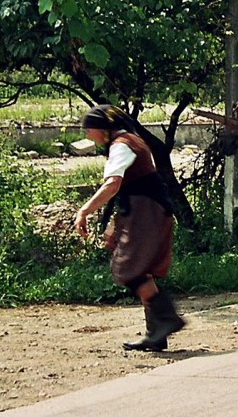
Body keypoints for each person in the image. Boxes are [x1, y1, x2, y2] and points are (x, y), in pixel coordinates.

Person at [73, 104, 184, 351]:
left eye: (89, 130)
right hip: (145, 210)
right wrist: (115, 223)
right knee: (139, 270)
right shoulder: (129, 141)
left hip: (147, 212)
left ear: (102, 129)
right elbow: (126, 188)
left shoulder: (122, 144)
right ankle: (156, 334)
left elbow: (113, 184)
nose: (87, 135)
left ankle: (167, 319)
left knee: (130, 269)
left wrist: (84, 211)